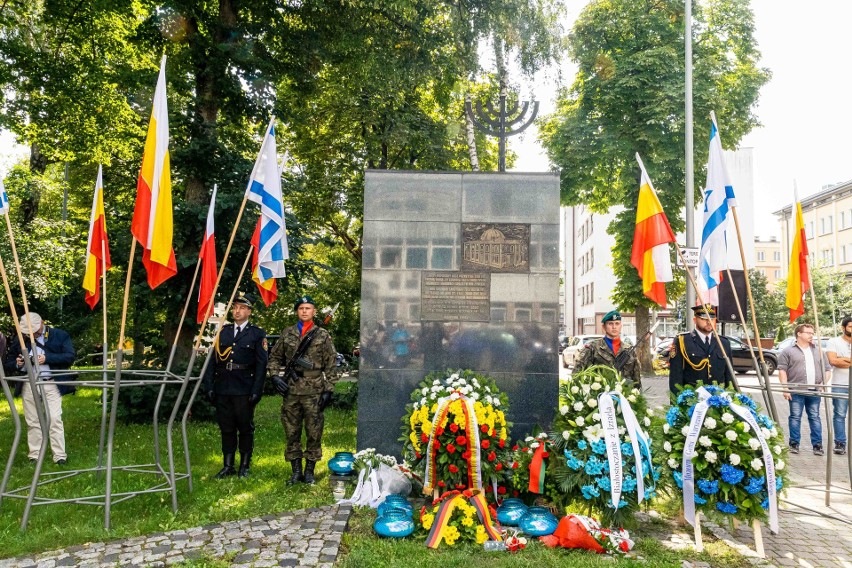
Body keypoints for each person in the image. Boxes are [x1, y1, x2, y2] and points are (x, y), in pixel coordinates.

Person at [268, 295, 338, 485]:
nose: (304, 311)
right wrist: (274, 376)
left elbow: (332, 363)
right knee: (291, 431)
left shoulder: (322, 335)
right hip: (291, 390)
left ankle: (309, 472)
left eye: (308, 308)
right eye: (301, 308)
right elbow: (274, 357)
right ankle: (296, 471)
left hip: (314, 390)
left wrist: (328, 390)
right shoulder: (287, 333)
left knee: (314, 432)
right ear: (297, 311)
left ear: (314, 311)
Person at [203, 294, 268, 479]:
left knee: (245, 427)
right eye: (235, 308)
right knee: (226, 427)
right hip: (223, 386)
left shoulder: (257, 334)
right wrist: (209, 385)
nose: (237, 311)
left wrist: (257, 390)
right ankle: (228, 465)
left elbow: (261, 365)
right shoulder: (223, 331)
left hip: (244, 388)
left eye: (241, 308)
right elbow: (212, 361)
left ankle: (244, 466)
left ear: (249, 311)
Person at [3, 313, 75, 465]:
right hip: (29, 383)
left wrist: (47, 358)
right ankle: (34, 455)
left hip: (51, 382)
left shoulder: (59, 335)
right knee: (32, 421)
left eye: (35, 330)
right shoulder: (21, 339)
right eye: (29, 332)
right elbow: (8, 363)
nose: (33, 334)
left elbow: (69, 357)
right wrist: (18, 363)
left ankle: (60, 456)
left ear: (42, 322)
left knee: (54, 418)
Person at [778, 323, 831, 456]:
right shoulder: (788, 351)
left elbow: (827, 369)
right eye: (808, 333)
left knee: (815, 417)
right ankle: (794, 443)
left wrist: (822, 384)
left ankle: (817, 445)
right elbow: (782, 370)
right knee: (795, 417)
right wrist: (785, 388)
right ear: (799, 334)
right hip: (796, 390)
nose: (811, 335)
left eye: (812, 333)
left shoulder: (818, 351)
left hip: (814, 390)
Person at [668, 304, 734, 395]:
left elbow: (729, 376)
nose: (709, 322)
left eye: (712, 319)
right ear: (695, 320)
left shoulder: (723, 343)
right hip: (692, 400)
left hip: (719, 400)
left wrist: (732, 399)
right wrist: (676, 403)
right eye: (703, 319)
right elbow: (676, 376)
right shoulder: (682, 341)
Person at [574, 310, 642, 387]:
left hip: (625, 395)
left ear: (621, 326)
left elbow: (636, 378)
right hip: (599, 394)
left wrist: (637, 395)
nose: (614, 327)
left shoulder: (629, 350)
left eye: (617, 323)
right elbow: (577, 373)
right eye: (610, 324)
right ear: (604, 327)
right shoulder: (592, 348)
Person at [827, 316, 852, 455]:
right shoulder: (834, 341)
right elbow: (833, 361)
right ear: (843, 328)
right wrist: (845, 360)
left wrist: (842, 358)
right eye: (850, 327)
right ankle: (840, 443)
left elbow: (838, 360)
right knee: (839, 415)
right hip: (840, 384)